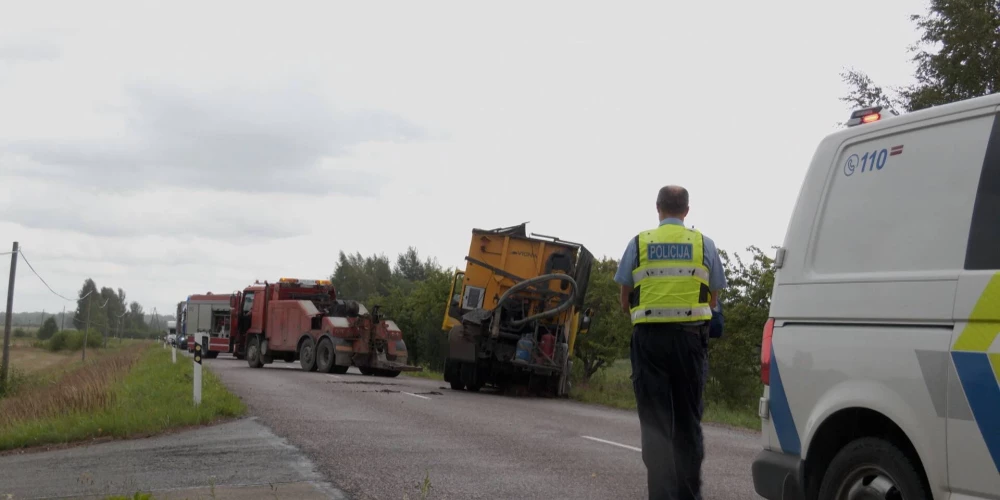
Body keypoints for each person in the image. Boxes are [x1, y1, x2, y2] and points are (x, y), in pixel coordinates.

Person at [614, 185, 727, 500]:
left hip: (649, 342)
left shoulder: (639, 243)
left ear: (658, 208)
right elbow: (714, 297)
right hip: (690, 341)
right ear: (687, 211)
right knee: (688, 423)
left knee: (656, 424)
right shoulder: (704, 244)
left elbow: (624, 302)